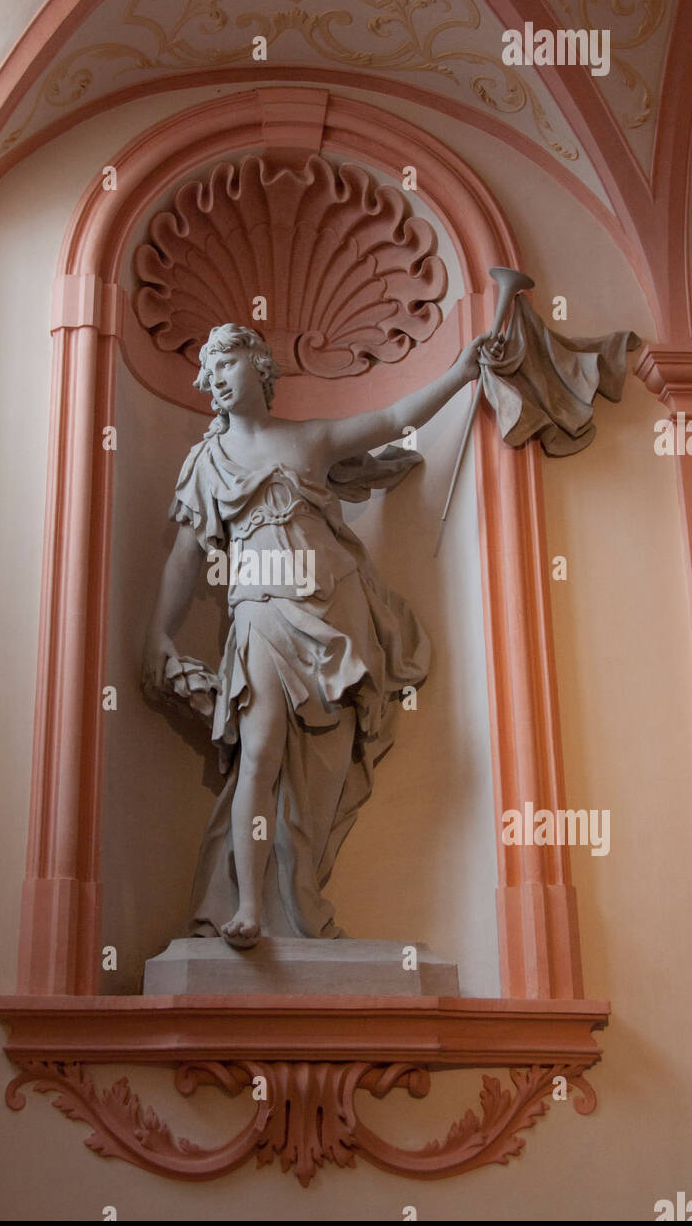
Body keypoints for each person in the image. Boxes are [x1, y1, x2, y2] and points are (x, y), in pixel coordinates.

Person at [142, 324, 488, 948]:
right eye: (209, 369)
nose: (216, 377)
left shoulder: (309, 439)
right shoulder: (207, 463)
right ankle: (246, 907)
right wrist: (158, 633)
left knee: (323, 770)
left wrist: (461, 371)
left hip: (334, 617)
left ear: (263, 370)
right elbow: (184, 558)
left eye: (229, 362)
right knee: (260, 753)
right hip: (261, 613)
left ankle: (299, 895)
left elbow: (393, 415)